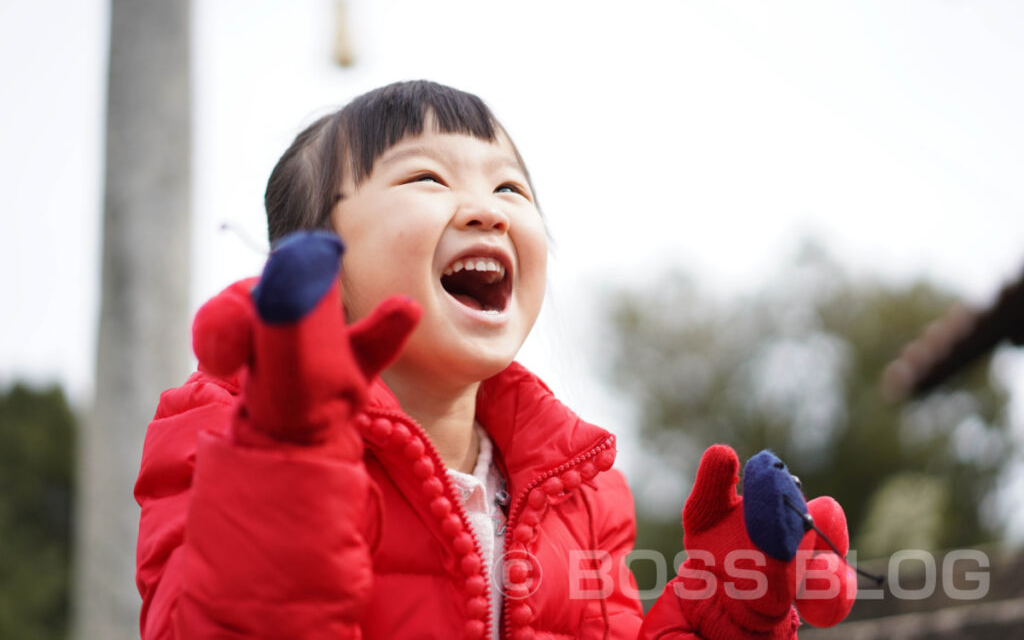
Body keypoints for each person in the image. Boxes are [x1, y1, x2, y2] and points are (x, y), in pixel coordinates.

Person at [134, 80, 853, 639]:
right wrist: (286, 454)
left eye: (509, 186)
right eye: (426, 179)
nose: (488, 210)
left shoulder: (584, 491)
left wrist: (731, 593)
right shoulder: (227, 433)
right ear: (314, 263)